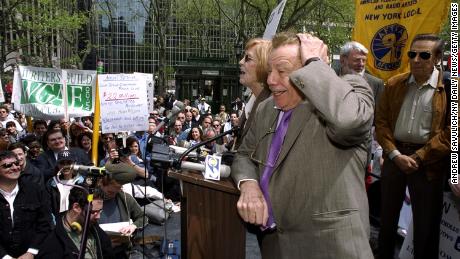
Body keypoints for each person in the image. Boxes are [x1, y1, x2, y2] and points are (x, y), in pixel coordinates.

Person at [231, 32, 373, 258]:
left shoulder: (352, 89)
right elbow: (244, 155)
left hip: (329, 247)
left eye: (283, 71)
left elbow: (348, 124)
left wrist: (316, 64)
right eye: (270, 71)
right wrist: (249, 185)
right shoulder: (267, 108)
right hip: (275, 245)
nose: (270, 80)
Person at [375, 34, 450, 259]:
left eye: (424, 55)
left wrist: (419, 157)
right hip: (394, 156)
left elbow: (451, 132)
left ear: (437, 58)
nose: (416, 59)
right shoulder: (394, 84)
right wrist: (395, 154)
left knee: (426, 227)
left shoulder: (450, 89)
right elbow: (381, 122)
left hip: (428, 163)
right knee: (386, 221)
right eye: (412, 54)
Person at [37, 186, 115, 258]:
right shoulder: (52, 240)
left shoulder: (95, 230)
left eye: (100, 211)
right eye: (93, 212)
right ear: (76, 207)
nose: (98, 217)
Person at [0, 150, 52, 258]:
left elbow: (45, 224)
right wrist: (5, 257)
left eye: (17, 163)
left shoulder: (36, 190)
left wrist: (31, 252)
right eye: (7, 165)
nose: (15, 167)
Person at [236, 38, 272, 149]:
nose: (241, 62)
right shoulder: (250, 104)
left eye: (248, 58)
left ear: (264, 65)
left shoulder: (271, 108)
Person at [338, 41, 385, 107]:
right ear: (342, 60)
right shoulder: (331, 78)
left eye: (364, 60)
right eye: (357, 60)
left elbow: (379, 113)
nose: (361, 64)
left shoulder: (376, 84)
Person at [47, 150, 85, 217]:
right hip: (57, 222)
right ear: (58, 165)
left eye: (69, 163)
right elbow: (48, 206)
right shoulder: (52, 183)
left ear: (75, 164)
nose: (65, 166)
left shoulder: (81, 183)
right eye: (62, 163)